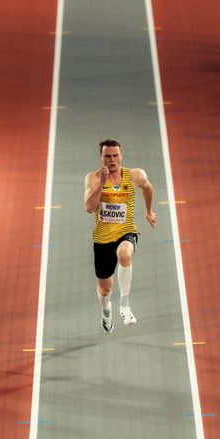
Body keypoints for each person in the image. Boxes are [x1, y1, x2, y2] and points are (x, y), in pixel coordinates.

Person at [84, 139, 156, 333]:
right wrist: (101, 186)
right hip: (102, 238)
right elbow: (89, 208)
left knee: (125, 254)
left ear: (121, 156)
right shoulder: (92, 178)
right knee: (105, 290)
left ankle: (124, 306)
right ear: (101, 158)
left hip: (126, 231)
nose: (112, 159)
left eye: (115, 155)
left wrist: (148, 211)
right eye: (108, 156)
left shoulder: (134, 175)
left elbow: (148, 187)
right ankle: (106, 311)